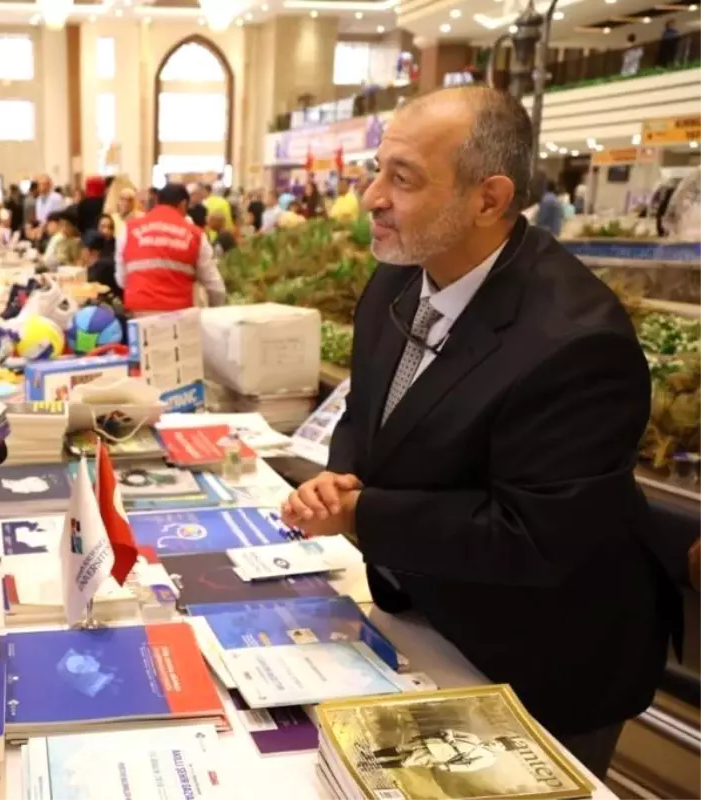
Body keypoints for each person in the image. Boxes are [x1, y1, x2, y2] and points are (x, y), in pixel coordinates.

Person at [280, 85, 670, 779]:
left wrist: (364, 513)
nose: (372, 196)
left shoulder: (575, 342)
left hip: (546, 658)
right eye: (379, 170)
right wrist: (343, 475)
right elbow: (368, 412)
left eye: (402, 179)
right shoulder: (397, 283)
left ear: (488, 200)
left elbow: (533, 532)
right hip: (427, 619)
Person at [116, 182, 226, 315]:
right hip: (177, 315)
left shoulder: (129, 229)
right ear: (183, 204)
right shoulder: (195, 235)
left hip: (138, 311)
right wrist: (216, 310)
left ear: (157, 202)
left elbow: (121, 278)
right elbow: (214, 285)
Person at [81, 229, 120, 301]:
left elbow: (87, 293)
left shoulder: (98, 268)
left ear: (87, 250)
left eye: (82, 248)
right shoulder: (108, 260)